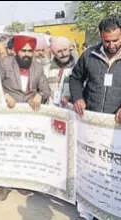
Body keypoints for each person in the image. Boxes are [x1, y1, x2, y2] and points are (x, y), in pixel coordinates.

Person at [70, 16, 121, 219]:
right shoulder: (89, 54)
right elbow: (75, 78)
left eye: (116, 40)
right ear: (101, 36)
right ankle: (87, 211)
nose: (111, 45)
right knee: (89, 168)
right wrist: (78, 97)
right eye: (107, 40)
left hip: (115, 130)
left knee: (112, 172)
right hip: (90, 126)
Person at [0, 35, 51, 201]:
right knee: (7, 150)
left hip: (28, 117)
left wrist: (40, 96)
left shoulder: (38, 67)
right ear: (16, 51)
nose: (26, 54)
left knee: (24, 151)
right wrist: (5, 95)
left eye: (29, 51)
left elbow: (46, 89)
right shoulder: (5, 63)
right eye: (23, 50)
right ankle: (5, 186)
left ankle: (21, 183)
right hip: (8, 113)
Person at [45, 36, 75, 107]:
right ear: (54, 54)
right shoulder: (47, 69)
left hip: (70, 111)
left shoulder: (77, 68)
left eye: (65, 50)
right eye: (59, 51)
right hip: (51, 110)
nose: (63, 54)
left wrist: (71, 96)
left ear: (69, 49)